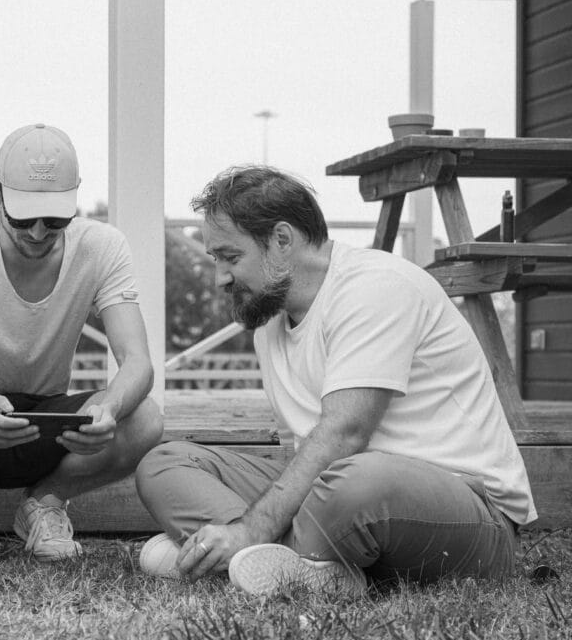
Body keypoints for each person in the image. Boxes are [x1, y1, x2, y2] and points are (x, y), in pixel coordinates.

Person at [135, 165, 536, 595]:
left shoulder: (375, 287)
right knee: (164, 464)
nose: (221, 278)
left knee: (357, 483)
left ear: (282, 240)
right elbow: (308, 456)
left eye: (231, 257)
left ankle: (243, 551)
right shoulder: (270, 321)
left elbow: (345, 433)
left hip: (466, 511)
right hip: (340, 494)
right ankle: (299, 564)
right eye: (216, 259)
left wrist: (251, 526)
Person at [0, 123, 163, 565]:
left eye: (56, 219)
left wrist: (109, 410)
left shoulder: (102, 245)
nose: (39, 233)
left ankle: (45, 501)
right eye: (23, 218)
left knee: (145, 419)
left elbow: (137, 361)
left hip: (47, 421)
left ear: (76, 196)